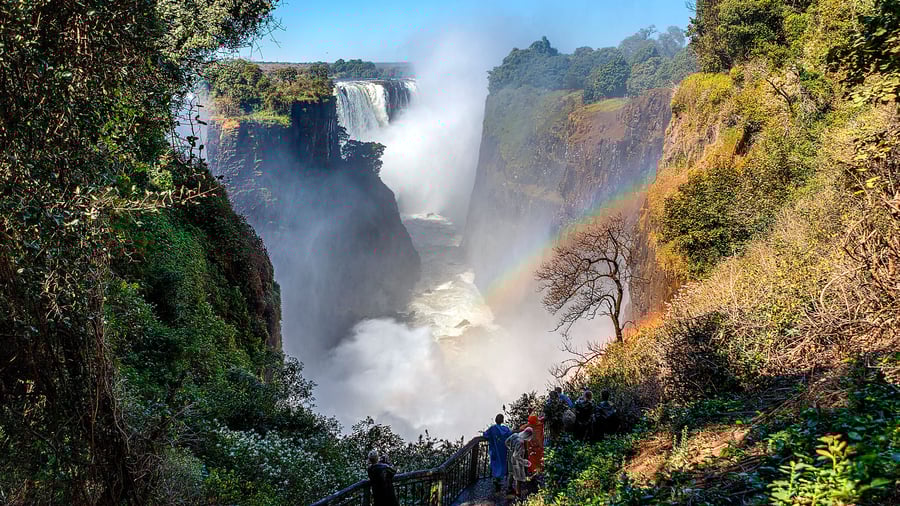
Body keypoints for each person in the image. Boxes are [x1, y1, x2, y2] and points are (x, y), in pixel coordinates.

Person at [483, 414, 513, 493]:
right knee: (502, 464)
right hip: (503, 450)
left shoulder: (492, 429)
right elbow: (510, 434)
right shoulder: (506, 429)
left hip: (495, 450)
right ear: (502, 420)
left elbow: (485, 434)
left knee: (495, 464)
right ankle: (500, 480)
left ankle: (496, 480)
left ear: (496, 420)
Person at [505, 427, 534, 499]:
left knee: (511, 473)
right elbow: (516, 456)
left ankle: (509, 488)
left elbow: (506, 442)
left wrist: (511, 449)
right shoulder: (521, 442)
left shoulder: (515, 435)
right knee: (518, 478)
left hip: (510, 457)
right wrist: (525, 462)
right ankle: (518, 495)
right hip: (516, 461)